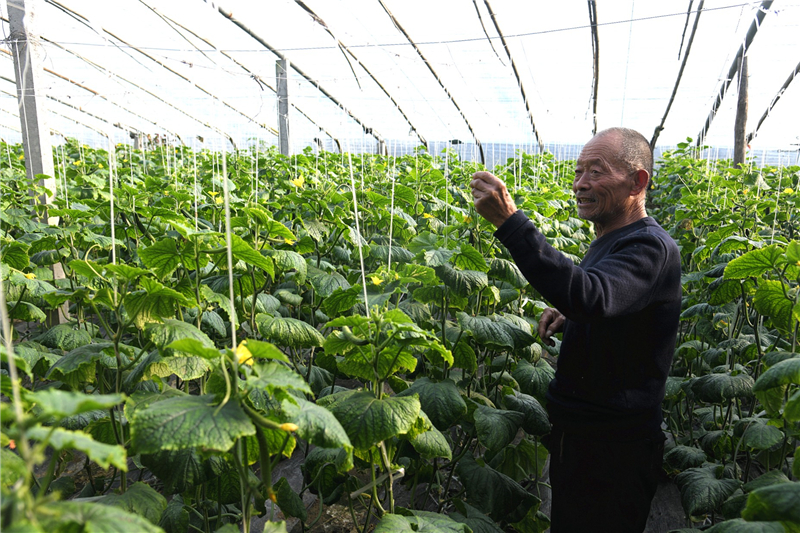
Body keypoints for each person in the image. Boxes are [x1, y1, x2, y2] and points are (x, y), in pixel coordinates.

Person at [470, 127, 681, 532]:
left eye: (596, 172)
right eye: (579, 171)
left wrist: (511, 223)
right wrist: (572, 319)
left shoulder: (650, 246)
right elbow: (610, 303)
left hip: (613, 449)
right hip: (586, 437)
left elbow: (592, 296)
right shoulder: (613, 238)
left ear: (637, 182)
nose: (581, 183)